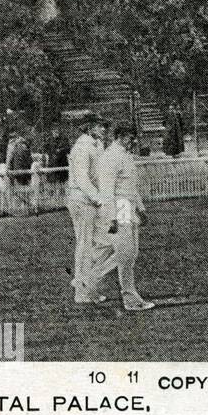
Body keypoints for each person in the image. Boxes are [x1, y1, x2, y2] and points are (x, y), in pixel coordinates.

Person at [85, 123, 154, 310]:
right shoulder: (110, 157)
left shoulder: (125, 155)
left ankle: (89, 282)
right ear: (121, 136)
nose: (134, 141)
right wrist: (112, 217)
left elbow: (131, 187)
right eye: (131, 137)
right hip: (119, 208)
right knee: (126, 255)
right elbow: (107, 190)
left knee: (129, 254)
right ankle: (130, 300)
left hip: (128, 207)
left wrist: (141, 209)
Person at [66, 116, 108, 304]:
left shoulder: (96, 145)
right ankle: (82, 291)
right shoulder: (82, 148)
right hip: (81, 200)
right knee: (85, 244)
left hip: (89, 199)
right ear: (89, 128)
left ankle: (87, 286)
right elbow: (82, 180)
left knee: (96, 244)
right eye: (99, 126)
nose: (103, 129)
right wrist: (98, 198)